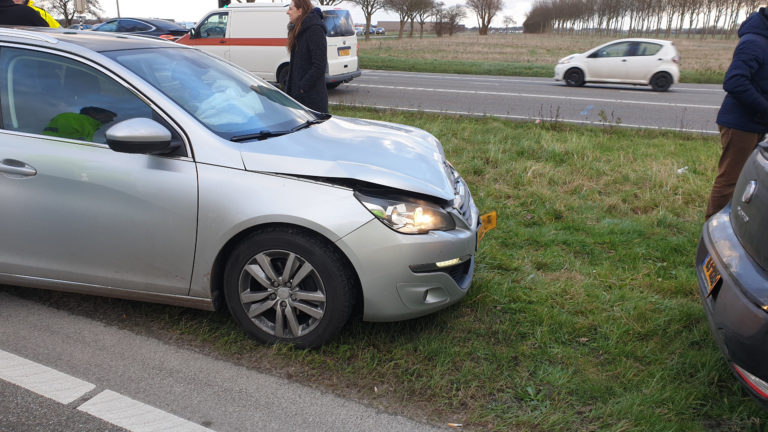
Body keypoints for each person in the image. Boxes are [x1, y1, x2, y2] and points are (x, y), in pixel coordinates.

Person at [706, 7, 768, 219]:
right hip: (741, 123)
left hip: (755, 122)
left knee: (748, 179)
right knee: (730, 180)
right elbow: (734, 81)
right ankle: (712, 229)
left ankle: (735, 224)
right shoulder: (754, 41)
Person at [284, 0, 328, 113]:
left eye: (290, 9)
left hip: (311, 101)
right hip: (298, 99)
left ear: (300, 10)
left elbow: (319, 65)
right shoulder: (298, 29)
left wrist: (301, 88)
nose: (287, 12)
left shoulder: (315, 29)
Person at [43, 107, 117, 141]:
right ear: (92, 112)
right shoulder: (69, 118)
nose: (111, 120)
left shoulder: (92, 126)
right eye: (109, 115)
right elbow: (68, 144)